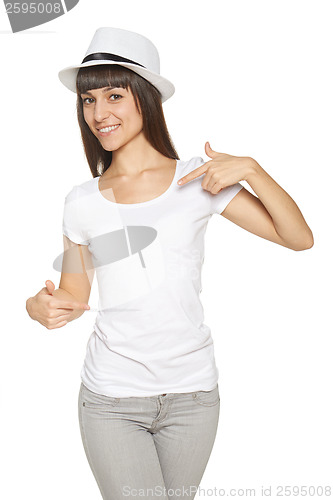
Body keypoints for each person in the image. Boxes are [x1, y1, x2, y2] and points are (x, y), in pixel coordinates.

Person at [26, 27, 314, 500]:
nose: (99, 113)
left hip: (194, 396)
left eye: (114, 95)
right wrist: (39, 307)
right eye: (88, 100)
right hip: (111, 398)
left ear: (147, 98)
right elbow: (73, 298)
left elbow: (298, 239)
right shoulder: (81, 201)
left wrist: (253, 171)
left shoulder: (199, 181)